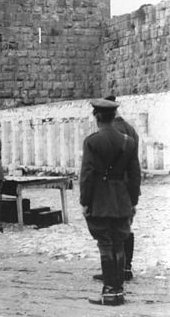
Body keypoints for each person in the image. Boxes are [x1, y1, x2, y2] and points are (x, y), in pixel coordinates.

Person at [80, 98, 141, 306]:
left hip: (100, 201)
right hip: (122, 200)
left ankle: (109, 291)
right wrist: (132, 201)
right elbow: (135, 176)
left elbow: (86, 175)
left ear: (97, 116)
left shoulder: (92, 141)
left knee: (105, 244)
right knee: (119, 243)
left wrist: (85, 202)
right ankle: (118, 291)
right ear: (114, 116)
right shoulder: (128, 142)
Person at [92, 95, 140, 283]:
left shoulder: (113, 131)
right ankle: (126, 268)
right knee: (125, 228)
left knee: (111, 232)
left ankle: (114, 274)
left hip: (111, 188)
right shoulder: (131, 130)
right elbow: (134, 166)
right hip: (127, 187)